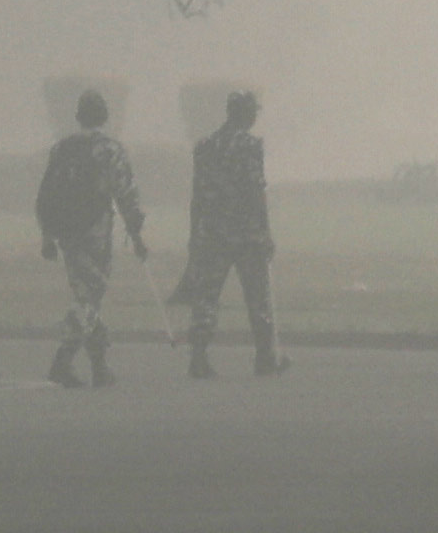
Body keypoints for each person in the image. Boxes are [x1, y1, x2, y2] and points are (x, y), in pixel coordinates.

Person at [36, 91, 148, 388]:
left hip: (66, 233)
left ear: (78, 117)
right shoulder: (110, 149)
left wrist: (47, 235)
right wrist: (136, 235)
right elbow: (126, 194)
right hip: (95, 232)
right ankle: (63, 360)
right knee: (89, 295)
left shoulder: (61, 149)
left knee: (88, 293)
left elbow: (46, 194)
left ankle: (100, 366)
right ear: (105, 116)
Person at [175, 88, 282, 379]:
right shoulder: (250, 146)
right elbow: (255, 190)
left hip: (211, 233)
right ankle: (264, 357)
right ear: (246, 114)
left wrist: (194, 234)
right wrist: (266, 231)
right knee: (258, 297)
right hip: (247, 234)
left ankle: (198, 357)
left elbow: (197, 196)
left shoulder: (205, 146)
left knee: (206, 298)